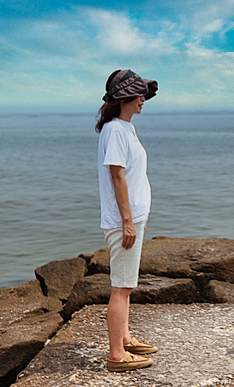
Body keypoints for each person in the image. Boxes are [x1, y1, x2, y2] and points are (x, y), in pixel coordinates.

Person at [95, 69, 159, 372]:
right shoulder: (116, 131)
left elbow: (131, 178)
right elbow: (117, 177)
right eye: (138, 93)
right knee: (121, 287)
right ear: (124, 98)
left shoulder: (124, 128)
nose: (143, 98)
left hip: (131, 219)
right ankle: (117, 355)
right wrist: (127, 221)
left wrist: (138, 218)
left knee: (127, 285)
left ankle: (126, 339)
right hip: (123, 222)